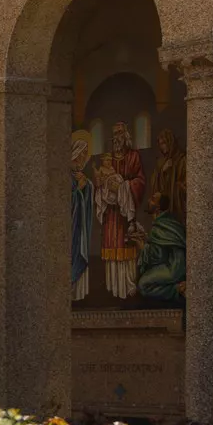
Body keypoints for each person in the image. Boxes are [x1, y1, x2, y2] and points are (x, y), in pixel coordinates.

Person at [95, 117, 146, 300]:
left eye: (119, 133)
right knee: (112, 245)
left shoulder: (134, 156)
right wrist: (103, 187)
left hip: (125, 214)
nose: (116, 137)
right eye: (114, 134)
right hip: (111, 213)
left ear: (126, 135)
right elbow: (100, 183)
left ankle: (128, 286)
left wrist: (124, 187)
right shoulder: (107, 159)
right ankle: (112, 286)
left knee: (126, 244)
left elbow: (140, 182)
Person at [69, 129, 94, 302]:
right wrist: (79, 189)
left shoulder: (81, 175)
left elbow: (87, 192)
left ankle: (77, 292)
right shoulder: (66, 175)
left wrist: (87, 186)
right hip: (70, 226)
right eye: (82, 153)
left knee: (79, 251)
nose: (84, 157)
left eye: (86, 154)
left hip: (80, 225)